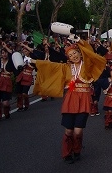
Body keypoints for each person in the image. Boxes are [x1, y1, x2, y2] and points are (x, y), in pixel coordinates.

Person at [31, 36, 106, 164]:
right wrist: (33, 61)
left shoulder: (87, 65)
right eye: (70, 55)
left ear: (80, 53)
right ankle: (67, 152)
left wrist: (78, 40)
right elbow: (50, 66)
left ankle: (77, 150)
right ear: (68, 58)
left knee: (77, 131)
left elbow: (90, 52)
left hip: (83, 99)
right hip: (70, 100)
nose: (73, 56)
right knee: (69, 131)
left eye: (75, 53)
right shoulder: (65, 68)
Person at [0, 42, 16, 121]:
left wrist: (5, 47)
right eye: (3, 53)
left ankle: (7, 112)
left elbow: (12, 54)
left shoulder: (11, 62)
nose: (4, 54)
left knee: (5, 103)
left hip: (6, 81)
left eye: (5, 53)